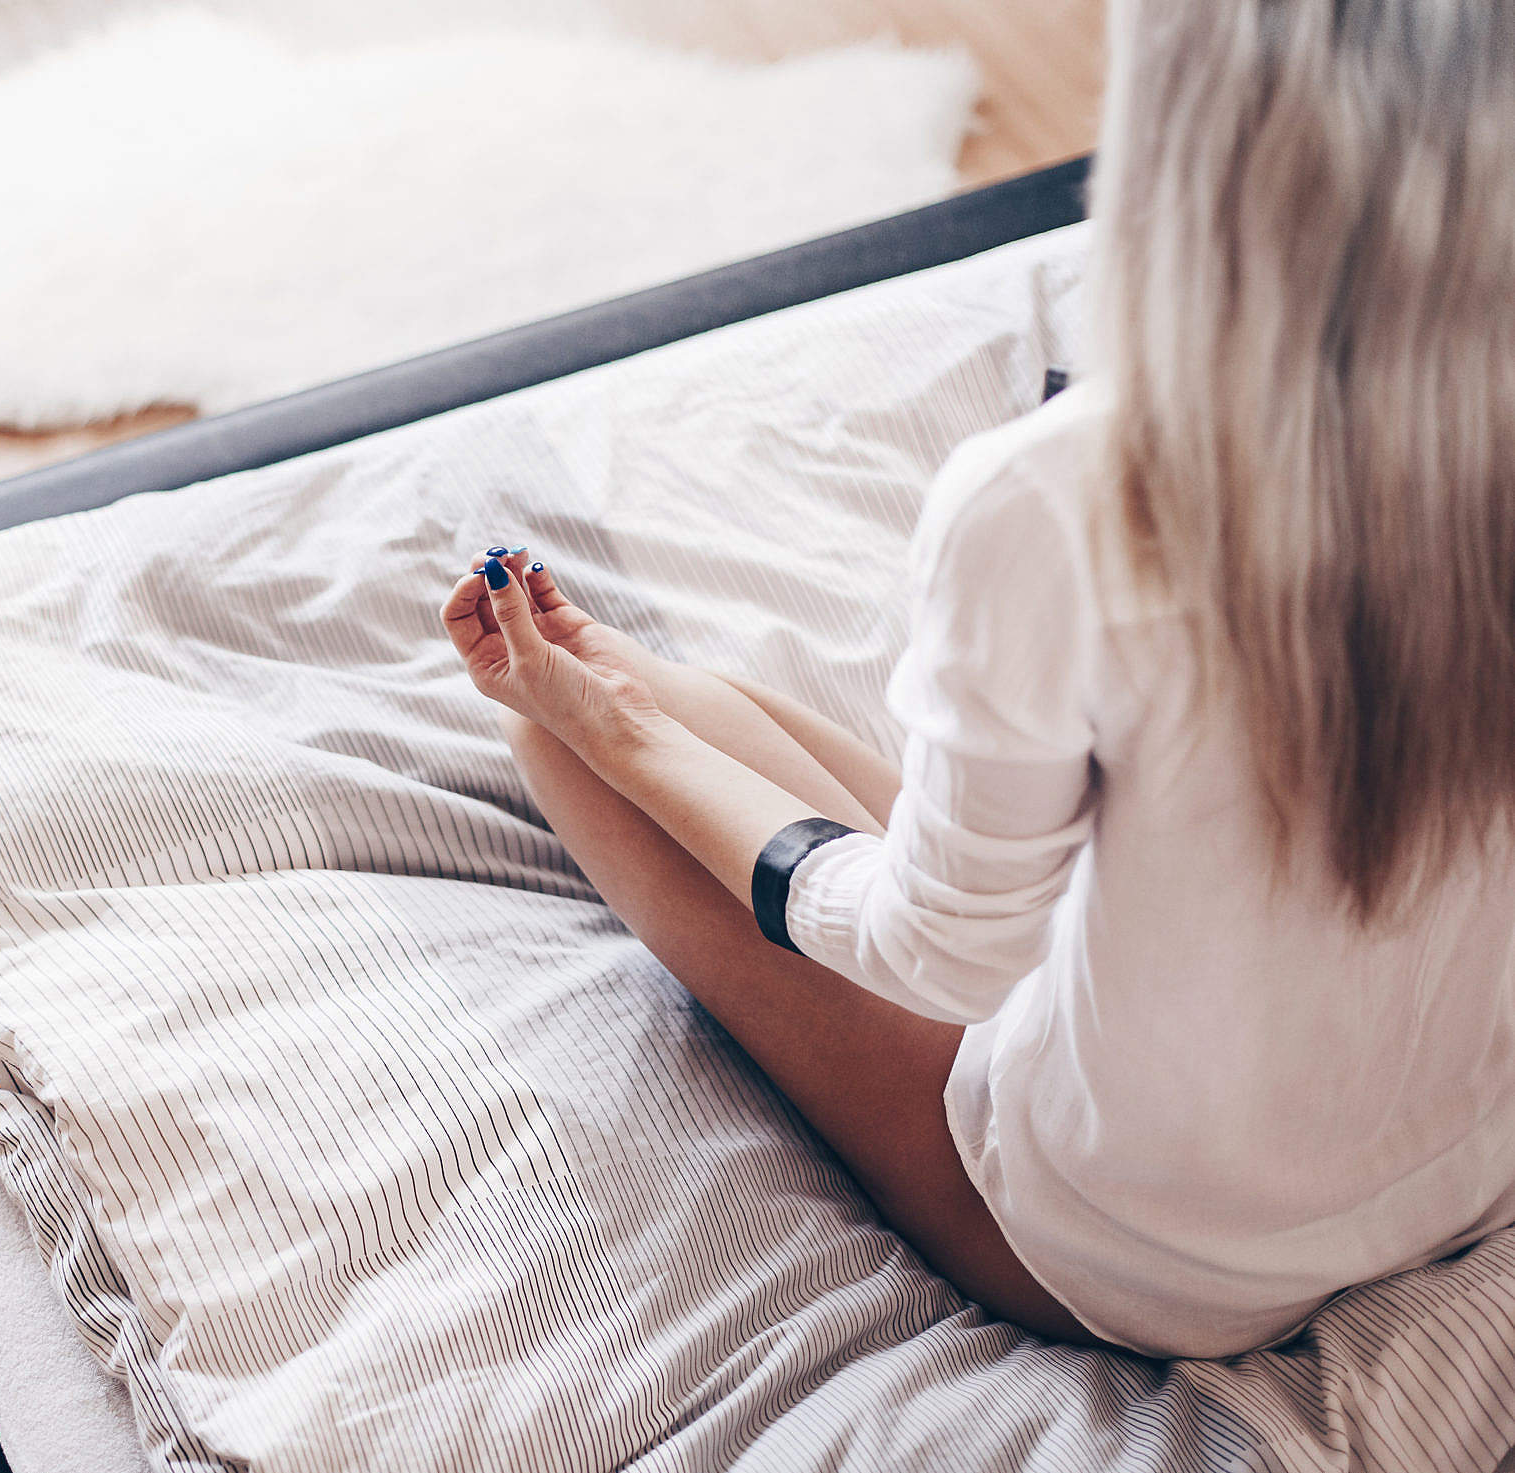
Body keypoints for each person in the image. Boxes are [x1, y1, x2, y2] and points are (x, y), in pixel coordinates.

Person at [439, 0, 1515, 1359]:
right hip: (1468, 1158)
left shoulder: (1068, 494)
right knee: (721, 718)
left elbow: (940, 956)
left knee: (566, 731)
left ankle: (614, 720)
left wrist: (620, 734)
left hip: (1164, 1249)